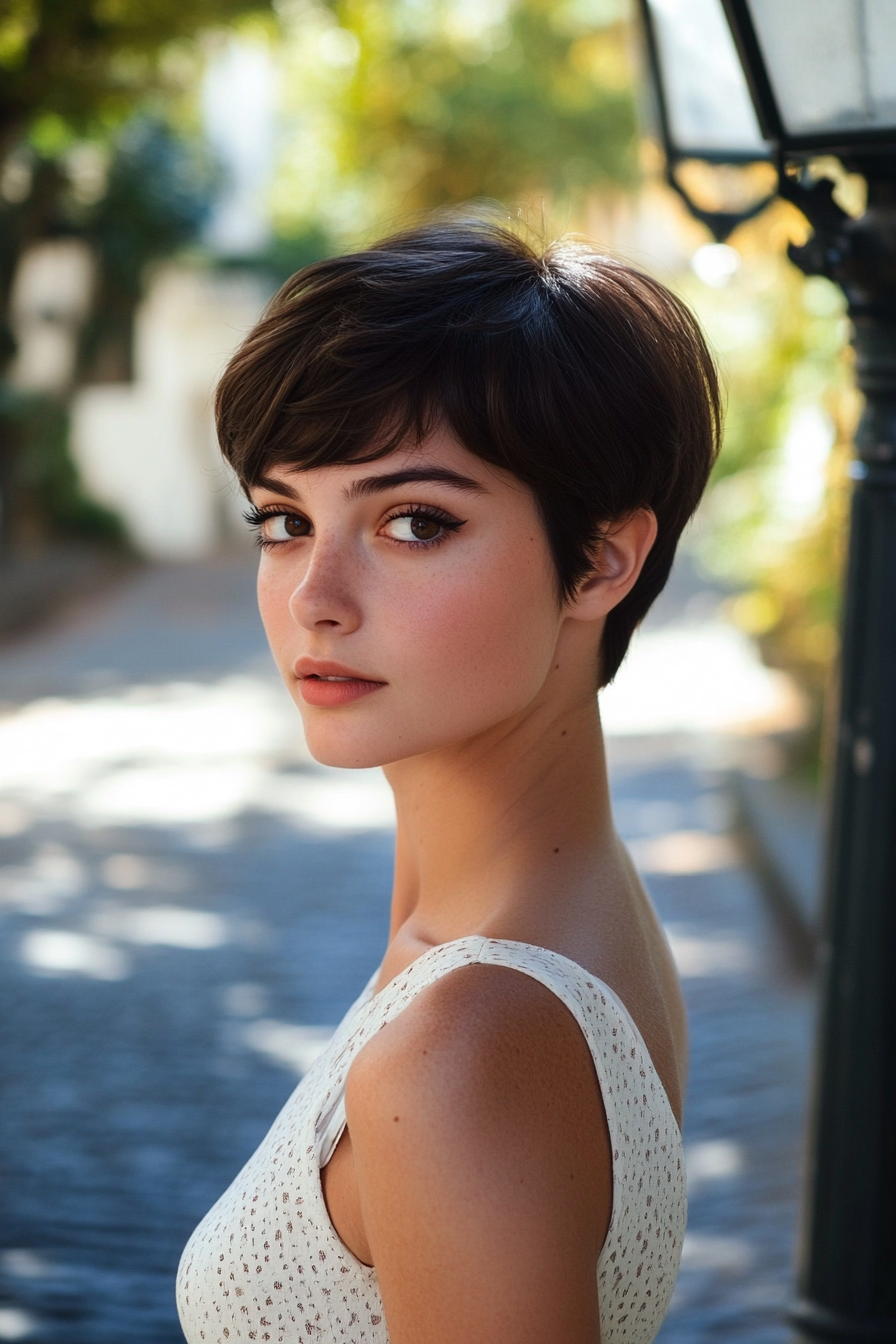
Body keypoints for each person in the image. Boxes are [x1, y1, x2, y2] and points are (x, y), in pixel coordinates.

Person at [176, 215, 720, 1344]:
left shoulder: (467, 1042)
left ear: (601, 559)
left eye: (414, 521)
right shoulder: (563, 902)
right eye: (283, 519)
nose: (314, 596)